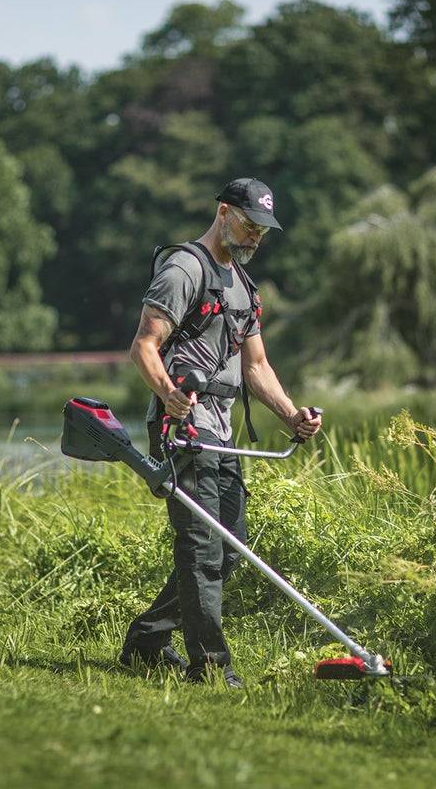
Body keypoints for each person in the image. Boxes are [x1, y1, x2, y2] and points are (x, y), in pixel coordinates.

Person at [119, 178, 321, 687]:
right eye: (249, 224)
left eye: (263, 230)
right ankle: (210, 667)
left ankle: (146, 641)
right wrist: (168, 393)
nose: (255, 237)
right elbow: (144, 345)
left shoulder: (245, 286)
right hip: (182, 428)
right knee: (202, 550)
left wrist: (291, 414)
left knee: (229, 547)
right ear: (225, 212)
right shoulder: (184, 269)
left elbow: (256, 366)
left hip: (221, 430)